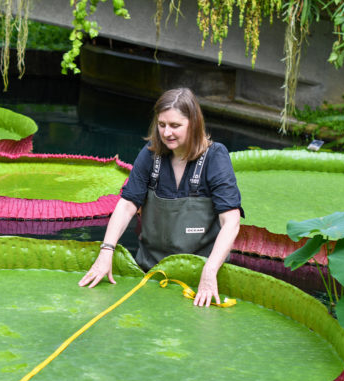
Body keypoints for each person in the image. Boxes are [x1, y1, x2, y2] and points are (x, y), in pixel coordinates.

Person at [78, 88, 243, 307]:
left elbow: (230, 222)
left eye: (175, 126)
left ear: (193, 124)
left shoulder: (215, 156)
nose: (167, 133)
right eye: (162, 124)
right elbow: (127, 205)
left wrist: (209, 270)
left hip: (202, 274)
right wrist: (106, 250)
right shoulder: (150, 155)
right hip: (151, 272)